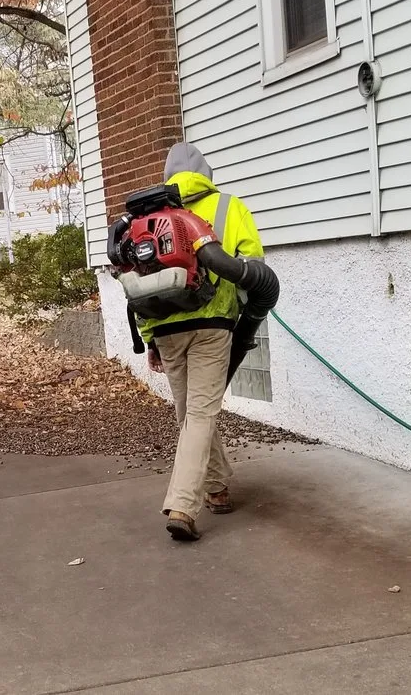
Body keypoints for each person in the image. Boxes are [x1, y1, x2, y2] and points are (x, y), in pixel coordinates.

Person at [140, 143, 264, 541]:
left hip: (165, 328)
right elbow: (254, 265)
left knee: (190, 414)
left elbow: (136, 284)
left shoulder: (148, 216)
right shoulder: (228, 206)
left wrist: (150, 341)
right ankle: (183, 506)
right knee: (200, 415)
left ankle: (216, 488)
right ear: (206, 175)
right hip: (212, 324)